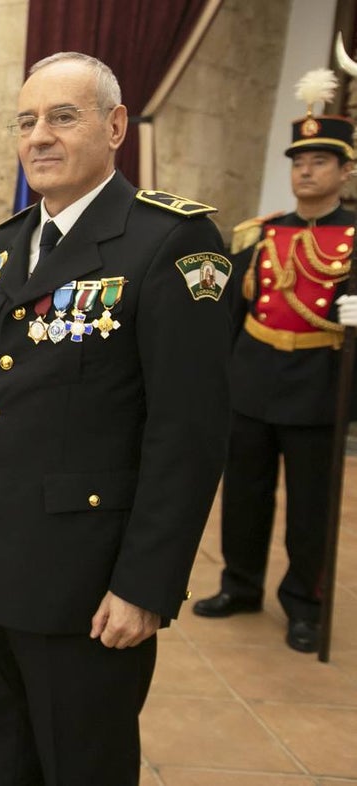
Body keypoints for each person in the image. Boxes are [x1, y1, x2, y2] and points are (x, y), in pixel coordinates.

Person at [0, 52, 232, 784]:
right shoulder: (7, 246)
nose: (39, 136)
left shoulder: (169, 243)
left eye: (62, 117)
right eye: (27, 121)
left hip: (84, 587)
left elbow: (186, 435)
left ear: (115, 125)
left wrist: (146, 585)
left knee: (80, 767)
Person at [194, 68, 356, 654]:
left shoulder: (355, 238)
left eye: (319, 160)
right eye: (298, 161)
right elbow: (228, 316)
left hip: (320, 386)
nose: (306, 170)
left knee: (311, 509)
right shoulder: (256, 235)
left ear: (345, 169)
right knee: (243, 494)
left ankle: (304, 603)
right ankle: (240, 584)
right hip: (253, 381)